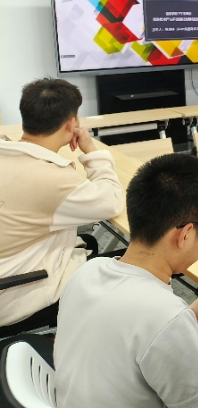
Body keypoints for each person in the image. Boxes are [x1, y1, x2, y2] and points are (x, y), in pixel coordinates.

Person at [54, 153, 198, 408]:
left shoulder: (88, 270)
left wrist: (189, 318)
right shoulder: (165, 317)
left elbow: (127, 332)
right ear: (186, 234)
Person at [0, 77, 124, 330]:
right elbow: (112, 201)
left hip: (11, 269)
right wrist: (92, 152)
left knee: (91, 245)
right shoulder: (52, 178)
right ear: (71, 123)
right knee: (138, 268)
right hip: (18, 293)